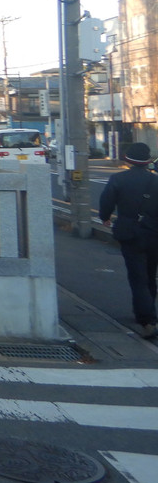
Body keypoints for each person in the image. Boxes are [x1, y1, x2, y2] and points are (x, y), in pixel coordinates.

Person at [99, 142, 158, 340]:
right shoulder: (155, 181)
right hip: (153, 233)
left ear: (128, 159)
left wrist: (105, 216)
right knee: (151, 274)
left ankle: (147, 319)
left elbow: (106, 201)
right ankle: (148, 311)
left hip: (129, 232)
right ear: (148, 160)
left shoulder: (118, 179)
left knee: (137, 277)